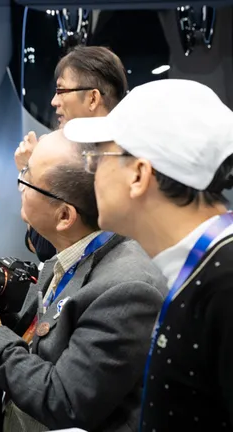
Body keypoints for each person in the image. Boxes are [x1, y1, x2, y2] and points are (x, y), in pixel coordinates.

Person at [0, 130, 166, 431]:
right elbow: (46, 344)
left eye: (27, 177)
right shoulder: (72, 254)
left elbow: (63, 401)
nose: (19, 184)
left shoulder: (128, 289)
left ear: (64, 216)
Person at [64, 78, 233, 431]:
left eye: (99, 157)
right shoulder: (202, 270)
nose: (92, 173)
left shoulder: (224, 283)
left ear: (139, 174)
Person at [15, 45, 128, 262]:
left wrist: (31, 173)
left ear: (92, 98)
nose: (54, 101)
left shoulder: (116, 164)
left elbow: (46, 248)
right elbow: (36, 243)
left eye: (61, 91)